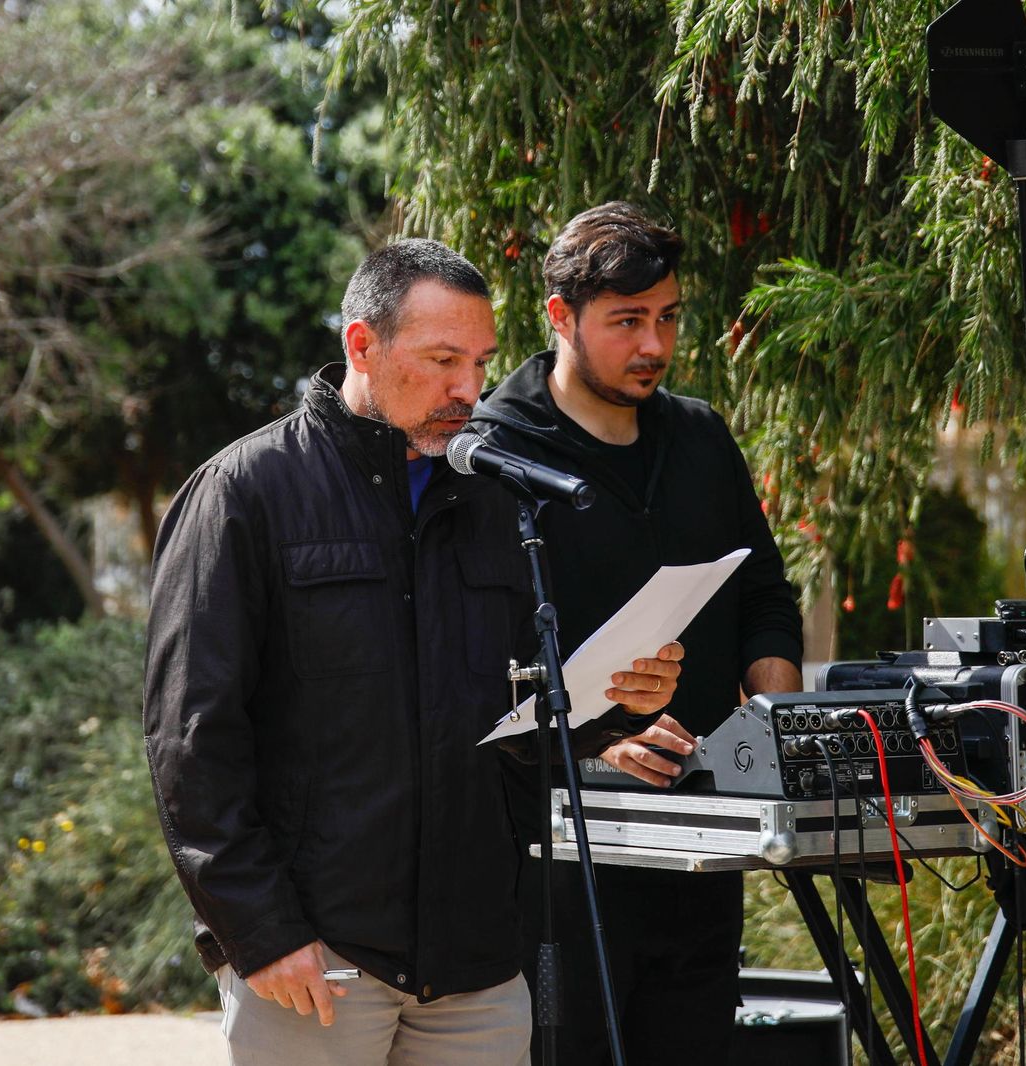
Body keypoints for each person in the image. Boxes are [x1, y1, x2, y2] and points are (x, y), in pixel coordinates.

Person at [142, 238, 684, 1066]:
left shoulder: (499, 500)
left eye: (480, 362)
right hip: (319, 965)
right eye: (441, 361)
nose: (468, 390)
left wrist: (612, 709)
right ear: (362, 344)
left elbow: (511, 727)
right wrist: (259, 931)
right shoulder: (244, 493)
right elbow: (190, 739)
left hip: (477, 969)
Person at [471, 202, 804, 1065]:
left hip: (702, 846)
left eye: (666, 318)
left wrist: (779, 724)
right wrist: (598, 742)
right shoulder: (493, 451)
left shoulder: (698, 436)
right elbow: (471, 662)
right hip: (557, 862)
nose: (653, 345)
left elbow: (764, 591)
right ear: (559, 317)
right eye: (626, 322)